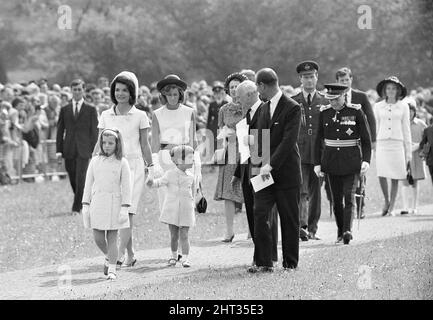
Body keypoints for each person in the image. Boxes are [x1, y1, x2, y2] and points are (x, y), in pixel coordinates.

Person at [97, 71, 153, 267]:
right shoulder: (105, 114)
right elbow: (100, 144)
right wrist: (94, 166)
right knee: (116, 213)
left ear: (132, 93)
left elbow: (145, 144)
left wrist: (151, 167)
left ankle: (118, 255)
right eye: (117, 90)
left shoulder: (140, 115)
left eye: (125, 90)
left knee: (127, 212)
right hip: (112, 167)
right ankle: (130, 253)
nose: (121, 93)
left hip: (134, 167)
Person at [248, 68, 302, 272]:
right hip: (263, 173)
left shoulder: (292, 107)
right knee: (260, 213)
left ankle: (290, 263)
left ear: (262, 85)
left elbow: (289, 141)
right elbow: (259, 140)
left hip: (286, 173)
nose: (258, 92)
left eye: (257, 87)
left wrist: (271, 164)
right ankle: (264, 262)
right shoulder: (262, 108)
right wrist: (257, 165)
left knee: (289, 219)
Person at [150, 74, 201, 260]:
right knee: (169, 203)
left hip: (186, 158)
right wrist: (154, 163)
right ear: (164, 95)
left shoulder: (189, 112)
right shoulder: (157, 114)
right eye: (169, 94)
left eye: (175, 94)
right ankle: (174, 245)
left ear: (180, 94)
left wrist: (195, 164)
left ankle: (183, 246)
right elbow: (154, 142)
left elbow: (193, 140)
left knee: (185, 201)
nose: (172, 97)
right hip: (165, 158)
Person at [314, 84, 372, 245]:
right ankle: (340, 231)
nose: (333, 103)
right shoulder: (324, 113)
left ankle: (348, 230)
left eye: (336, 99)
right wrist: (317, 163)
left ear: (344, 96)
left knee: (349, 196)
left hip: (352, 161)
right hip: (331, 162)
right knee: (336, 199)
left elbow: (366, 140)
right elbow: (318, 139)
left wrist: (366, 160)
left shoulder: (355, 111)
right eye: (330, 100)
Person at [232, 80, 279, 264]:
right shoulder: (247, 114)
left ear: (251, 94)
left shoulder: (267, 110)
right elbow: (244, 150)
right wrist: (238, 173)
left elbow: (269, 140)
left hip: (262, 170)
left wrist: (251, 139)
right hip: (247, 171)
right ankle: (259, 255)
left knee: (266, 214)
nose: (238, 102)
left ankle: (269, 256)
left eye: (240, 98)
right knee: (253, 215)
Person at [82, 128, 132, 280]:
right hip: (98, 202)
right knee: (98, 238)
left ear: (117, 144)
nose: (107, 146)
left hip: (114, 204)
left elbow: (127, 186)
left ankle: (112, 269)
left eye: (111, 143)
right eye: (104, 143)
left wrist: (125, 207)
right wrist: (85, 203)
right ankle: (109, 257)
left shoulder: (122, 162)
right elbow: (88, 183)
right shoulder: (95, 161)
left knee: (112, 237)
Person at [291, 61, 327, 241]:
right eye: (305, 77)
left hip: (319, 154)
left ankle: (313, 228)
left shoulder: (325, 100)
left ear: (316, 77)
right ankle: (301, 227)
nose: (309, 80)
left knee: (316, 193)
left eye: (312, 76)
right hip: (300, 152)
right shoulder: (293, 100)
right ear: (300, 79)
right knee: (301, 190)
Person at [336, 67, 376, 219]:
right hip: (340, 143)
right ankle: (342, 207)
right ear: (337, 81)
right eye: (341, 80)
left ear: (351, 79)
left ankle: (360, 207)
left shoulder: (361, 96)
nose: (345, 83)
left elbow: (370, 119)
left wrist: (372, 141)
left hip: (358, 142)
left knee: (360, 175)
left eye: (347, 80)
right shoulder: (334, 96)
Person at [148, 145, 196, 268]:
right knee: (174, 235)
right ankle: (174, 256)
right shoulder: (169, 174)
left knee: (184, 235)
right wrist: (151, 182)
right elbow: (158, 183)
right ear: (180, 160)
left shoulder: (191, 177)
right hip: (172, 209)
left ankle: (185, 258)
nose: (193, 160)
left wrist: (195, 204)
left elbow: (194, 193)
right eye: (190, 158)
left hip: (186, 209)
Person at [56, 79, 99, 215]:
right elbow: (60, 130)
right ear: (71, 91)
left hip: (84, 149)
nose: (77, 92)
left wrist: (95, 150)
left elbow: (94, 131)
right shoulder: (64, 109)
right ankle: (83, 199)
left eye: (79, 89)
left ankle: (76, 208)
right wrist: (58, 150)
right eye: (74, 89)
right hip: (69, 148)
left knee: (81, 177)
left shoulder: (91, 109)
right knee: (73, 177)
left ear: (83, 90)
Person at [214, 73, 247, 242]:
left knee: (249, 190)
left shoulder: (251, 107)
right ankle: (229, 230)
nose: (234, 89)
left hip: (248, 150)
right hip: (230, 152)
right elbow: (220, 133)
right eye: (232, 87)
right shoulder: (223, 110)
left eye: (237, 86)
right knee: (228, 192)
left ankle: (251, 229)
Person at [374, 76, 411, 216]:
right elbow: (376, 126)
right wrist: (375, 145)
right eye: (388, 88)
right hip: (382, 142)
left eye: (394, 88)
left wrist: (408, 153)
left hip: (397, 143)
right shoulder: (378, 106)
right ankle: (386, 200)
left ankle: (392, 207)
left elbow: (406, 129)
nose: (391, 91)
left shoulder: (404, 106)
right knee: (381, 173)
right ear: (384, 90)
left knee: (396, 175)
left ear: (398, 90)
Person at [401, 103, 427, 214]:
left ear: (414, 112)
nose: (410, 113)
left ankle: (414, 207)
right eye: (408, 110)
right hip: (404, 155)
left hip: (417, 155)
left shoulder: (421, 124)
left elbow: (427, 140)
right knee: (405, 180)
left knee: (415, 181)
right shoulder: (401, 124)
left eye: (411, 111)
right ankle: (405, 207)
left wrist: (419, 146)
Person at [206, 81, 227, 155]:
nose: (218, 95)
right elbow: (209, 117)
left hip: (224, 124)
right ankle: (215, 156)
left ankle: (222, 156)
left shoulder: (226, 103)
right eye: (216, 93)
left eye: (219, 93)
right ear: (214, 94)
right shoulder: (212, 104)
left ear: (222, 93)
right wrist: (208, 128)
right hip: (214, 125)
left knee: (222, 140)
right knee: (214, 140)